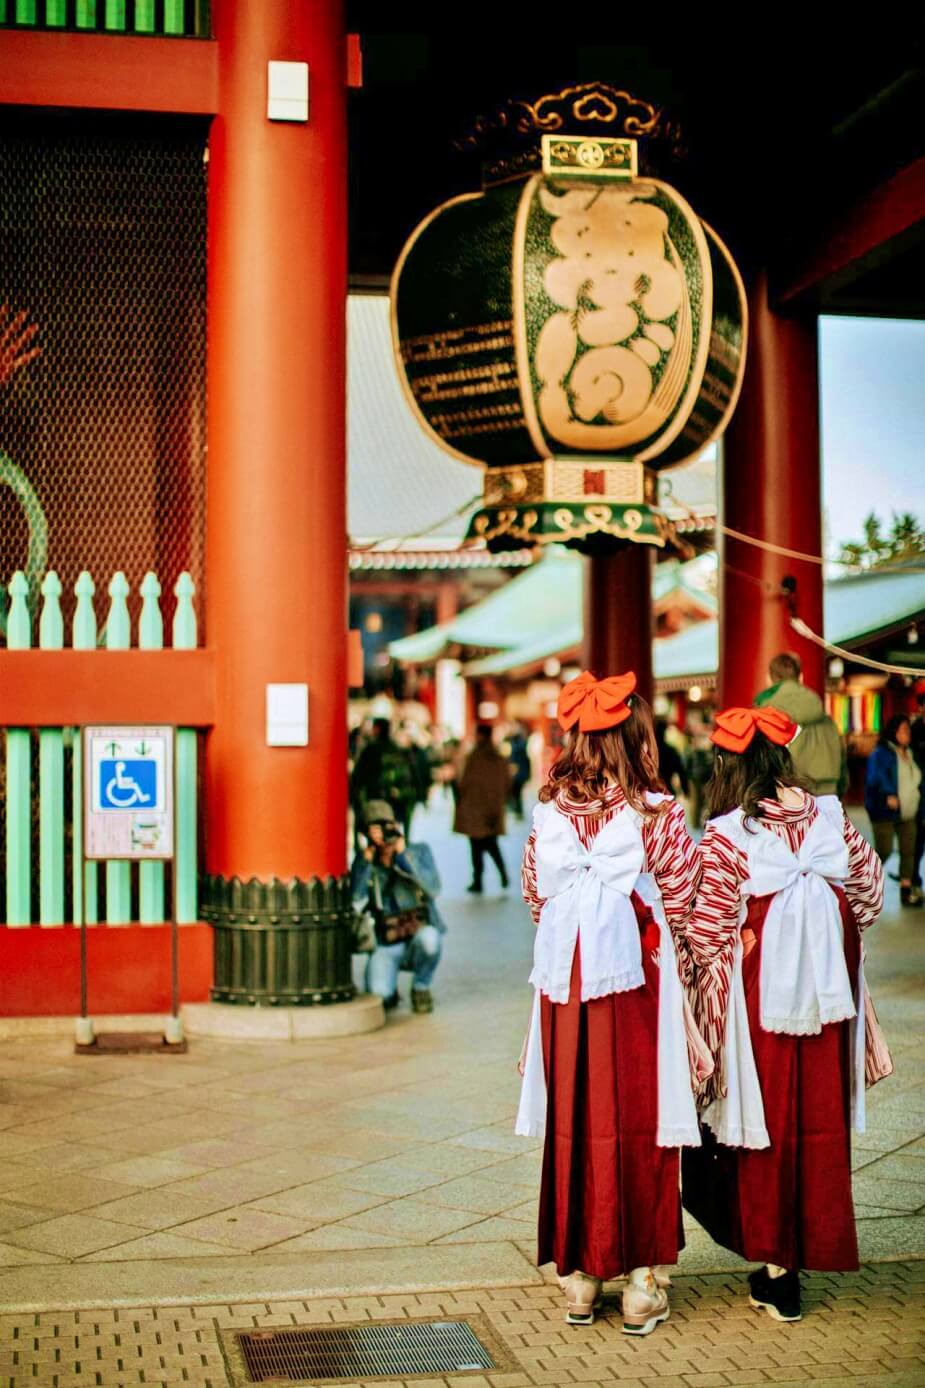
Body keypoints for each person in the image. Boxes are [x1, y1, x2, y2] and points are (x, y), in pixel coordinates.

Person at [516, 670, 710, 1334]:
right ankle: (641, 1279)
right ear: (635, 739)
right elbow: (685, 901)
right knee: (639, 1119)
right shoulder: (655, 813)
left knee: (574, 1116)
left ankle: (580, 1276)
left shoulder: (548, 813)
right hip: (635, 983)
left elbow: (534, 896)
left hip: (565, 984)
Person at [682, 706, 887, 1324]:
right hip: (827, 1000)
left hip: (758, 1006)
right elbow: (871, 896)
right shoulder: (831, 816)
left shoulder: (725, 836)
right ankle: (810, 1246)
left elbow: (705, 930)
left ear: (729, 764)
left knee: (760, 1127)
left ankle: (777, 1269)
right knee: (817, 1124)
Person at [350, 799, 445, 1014]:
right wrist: (364, 864)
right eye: (377, 829)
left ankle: (421, 986)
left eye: (388, 826)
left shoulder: (418, 852)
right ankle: (388, 986)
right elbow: (356, 901)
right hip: (386, 942)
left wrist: (404, 857)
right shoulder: (367, 862)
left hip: (417, 934)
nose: (385, 834)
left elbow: (433, 888)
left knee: (431, 940)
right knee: (380, 994)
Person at [755, 652, 846, 796]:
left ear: (769, 679)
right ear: (801, 677)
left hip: (787, 795)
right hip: (826, 794)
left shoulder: (766, 716)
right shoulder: (827, 721)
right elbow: (842, 764)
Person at [865, 713, 924, 908]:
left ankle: (906, 892)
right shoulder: (881, 753)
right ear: (893, 732)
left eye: (908, 730)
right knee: (885, 850)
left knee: (909, 850)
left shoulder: (911, 753)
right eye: (903, 730)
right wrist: (889, 793)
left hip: (908, 810)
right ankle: (862, 880)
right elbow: (876, 776)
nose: (907, 734)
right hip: (885, 811)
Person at [454, 724, 510, 894]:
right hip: (490, 809)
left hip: (476, 810)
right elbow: (506, 784)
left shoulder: (474, 758)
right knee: (490, 845)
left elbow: (464, 783)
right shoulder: (498, 758)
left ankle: (480, 879)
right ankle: (499, 875)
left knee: (479, 846)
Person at [349, 717, 420, 838]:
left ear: (376, 729)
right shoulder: (398, 751)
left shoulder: (370, 751)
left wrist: (356, 798)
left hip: (376, 800)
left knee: (376, 837)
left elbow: (359, 778)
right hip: (397, 801)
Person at [507, 723, 532, 818]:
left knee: (516, 792)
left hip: (517, 773)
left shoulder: (515, 746)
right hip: (520, 773)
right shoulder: (523, 744)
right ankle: (518, 810)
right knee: (517, 793)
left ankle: (518, 810)